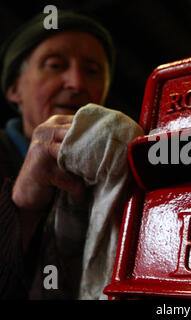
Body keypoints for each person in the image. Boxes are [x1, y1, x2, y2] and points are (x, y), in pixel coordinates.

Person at [0, 10, 116, 299]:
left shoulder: (117, 171)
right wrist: (24, 204)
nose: (76, 83)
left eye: (92, 70)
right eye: (54, 65)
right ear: (15, 89)